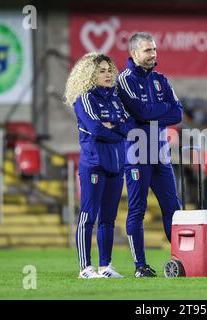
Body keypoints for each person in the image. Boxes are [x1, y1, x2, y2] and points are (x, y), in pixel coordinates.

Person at [117, 32, 183, 277]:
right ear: (134, 54)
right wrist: (159, 110)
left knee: (173, 209)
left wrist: (151, 112)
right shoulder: (124, 80)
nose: (153, 54)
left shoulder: (161, 80)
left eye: (154, 50)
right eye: (147, 50)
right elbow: (139, 110)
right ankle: (140, 266)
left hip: (161, 154)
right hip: (136, 153)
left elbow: (178, 114)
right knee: (137, 210)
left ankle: (182, 259)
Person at [64, 53, 133, 279]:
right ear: (90, 74)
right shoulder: (84, 100)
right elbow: (96, 129)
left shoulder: (115, 99)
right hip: (93, 165)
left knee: (108, 220)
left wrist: (112, 127)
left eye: (109, 70)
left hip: (116, 166)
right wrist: (115, 128)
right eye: (101, 70)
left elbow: (128, 126)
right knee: (88, 216)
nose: (107, 74)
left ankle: (105, 267)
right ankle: (85, 268)